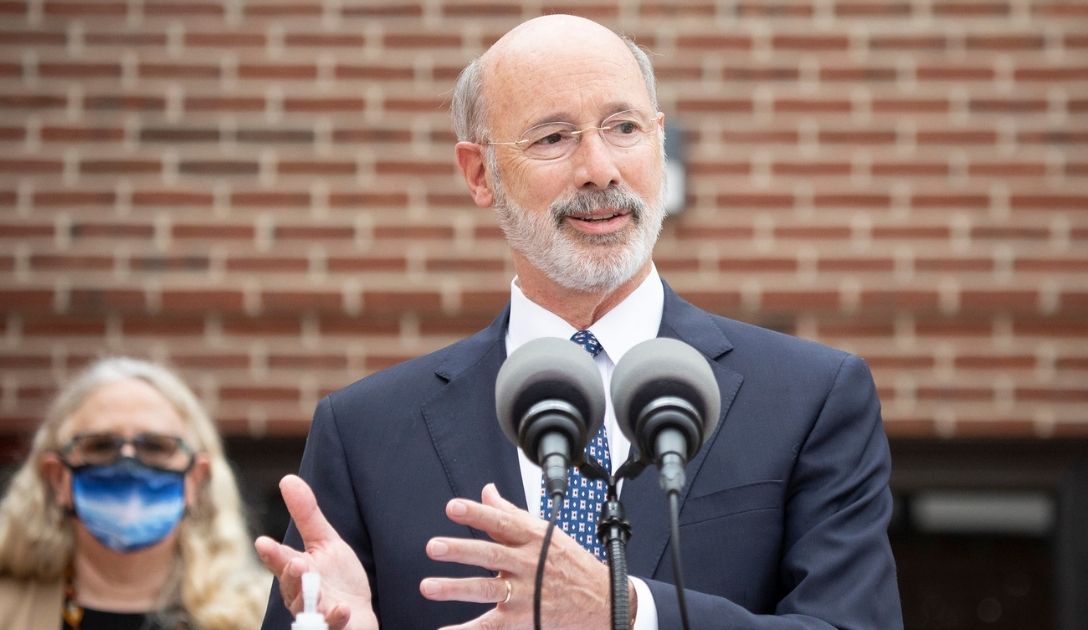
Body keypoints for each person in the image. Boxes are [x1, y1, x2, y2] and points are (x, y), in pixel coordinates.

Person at [257, 14, 901, 630]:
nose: (600, 169)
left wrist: (626, 612)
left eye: (623, 127)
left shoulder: (810, 398)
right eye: (553, 137)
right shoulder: (366, 432)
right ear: (480, 174)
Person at [0, 356, 271, 629]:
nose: (128, 463)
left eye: (155, 447)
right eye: (101, 445)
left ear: (196, 480)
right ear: (58, 478)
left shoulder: (269, 614)